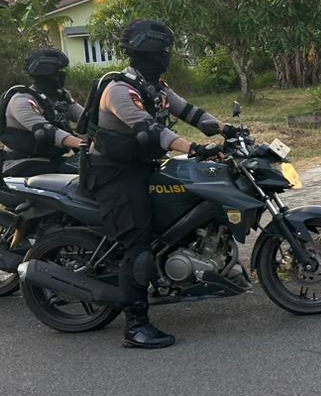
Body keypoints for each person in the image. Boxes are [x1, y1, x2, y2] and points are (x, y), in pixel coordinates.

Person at [86, 19, 226, 350]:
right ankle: (135, 326)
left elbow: (191, 113)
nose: (167, 56)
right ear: (146, 54)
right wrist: (195, 149)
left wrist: (227, 129)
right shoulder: (119, 90)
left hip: (142, 167)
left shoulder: (156, 87)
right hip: (113, 174)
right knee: (138, 245)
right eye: (162, 52)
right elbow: (153, 130)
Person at [0, 48, 85, 178]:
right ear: (48, 75)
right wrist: (84, 144)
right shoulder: (22, 100)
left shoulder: (60, 96)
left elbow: (85, 117)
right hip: (21, 164)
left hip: (49, 160)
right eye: (58, 72)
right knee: (78, 177)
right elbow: (46, 132)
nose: (62, 75)